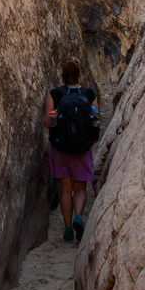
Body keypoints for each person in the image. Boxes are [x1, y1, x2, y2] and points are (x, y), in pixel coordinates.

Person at [44, 60, 99, 242]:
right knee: (80, 188)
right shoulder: (88, 93)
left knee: (66, 189)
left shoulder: (55, 94)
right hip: (82, 149)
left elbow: (48, 122)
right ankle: (78, 216)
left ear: (62, 76)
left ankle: (68, 229)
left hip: (61, 148)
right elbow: (95, 118)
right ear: (79, 74)